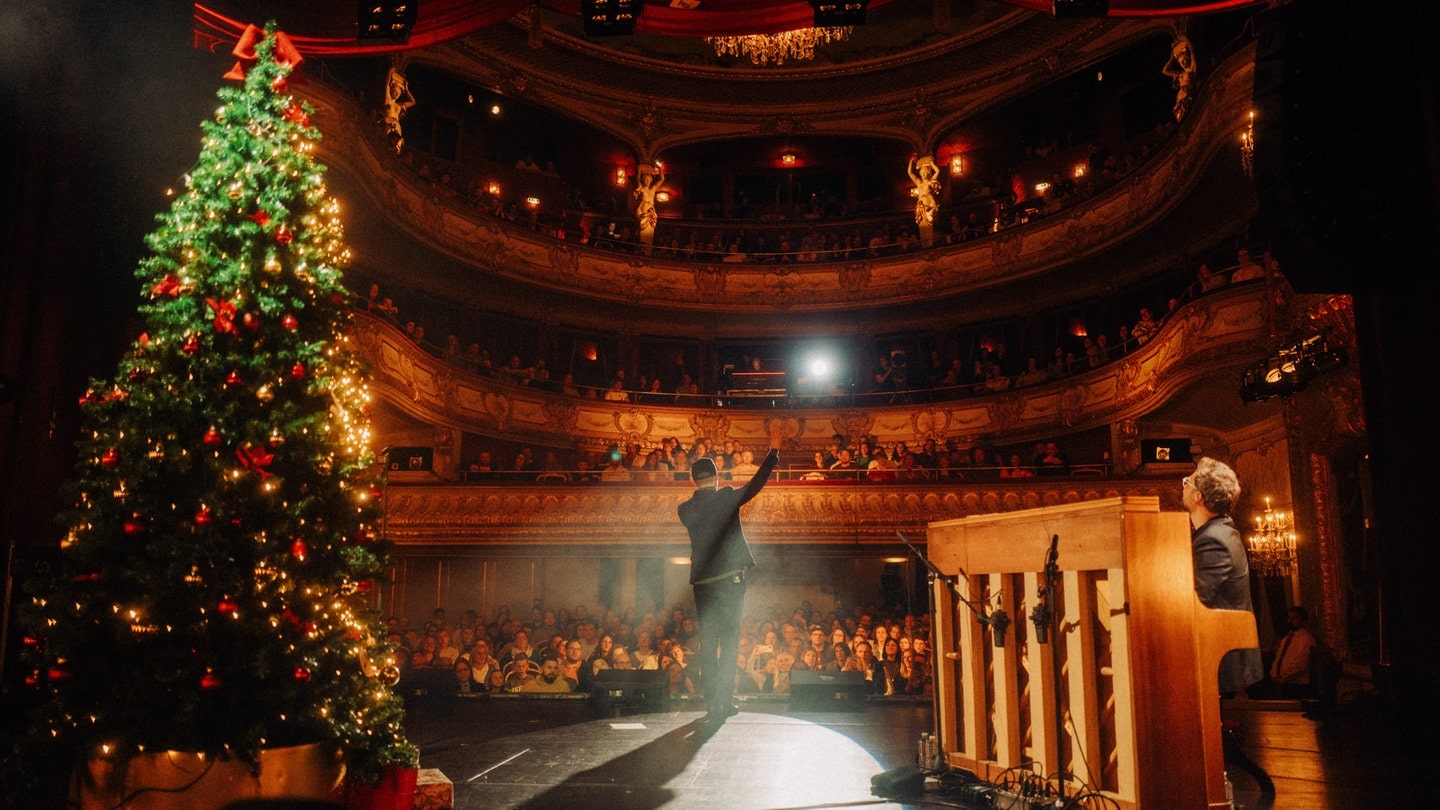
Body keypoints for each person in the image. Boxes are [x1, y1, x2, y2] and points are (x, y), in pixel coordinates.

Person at [678, 425, 783, 723]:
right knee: (730, 641)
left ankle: (713, 701)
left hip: (702, 585)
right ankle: (723, 701)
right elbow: (755, 485)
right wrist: (773, 454)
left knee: (709, 643)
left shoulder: (684, 510)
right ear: (717, 477)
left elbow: (702, 504)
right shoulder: (725, 498)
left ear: (692, 480)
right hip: (730, 582)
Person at [1182, 457, 1274, 796]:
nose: (1185, 486)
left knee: (1207, 743)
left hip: (1216, 657)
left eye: (1187, 482)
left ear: (1199, 497)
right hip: (1213, 653)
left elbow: (1196, 598)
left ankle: (1214, 794)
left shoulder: (1214, 538)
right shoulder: (1217, 533)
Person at [1270, 605, 1318, 700]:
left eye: (1294, 618)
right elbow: (1278, 658)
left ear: (1304, 621)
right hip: (1282, 683)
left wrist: (1284, 678)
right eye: (1289, 617)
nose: (1290, 621)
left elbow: (1301, 664)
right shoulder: (1286, 639)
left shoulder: (1307, 640)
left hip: (1297, 684)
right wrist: (1274, 674)